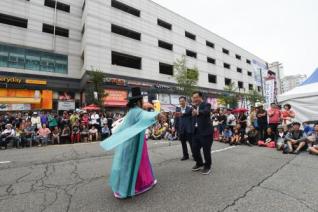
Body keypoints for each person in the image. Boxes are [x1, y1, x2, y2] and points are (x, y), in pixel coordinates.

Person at [100, 87, 159, 199]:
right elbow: (151, 117)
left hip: (129, 141)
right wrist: (154, 109)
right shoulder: (138, 111)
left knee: (128, 164)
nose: (143, 102)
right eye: (142, 100)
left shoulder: (130, 112)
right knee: (139, 162)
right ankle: (137, 186)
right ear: (138, 101)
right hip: (136, 142)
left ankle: (122, 187)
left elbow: (120, 128)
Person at [191, 91, 213, 175]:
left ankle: (207, 166)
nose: (195, 99)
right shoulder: (193, 107)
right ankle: (199, 163)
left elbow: (206, 112)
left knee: (206, 150)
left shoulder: (206, 105)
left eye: (196, 97)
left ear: (201, 97)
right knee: (194, 149)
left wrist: (198, 112)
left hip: (206, 132)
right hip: (196, 132)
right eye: (193, 97)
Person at [174, 96, 193, 161]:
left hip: (188, 128)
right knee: (183, 143)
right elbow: (176, 119)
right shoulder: (177, 109)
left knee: (191, 143)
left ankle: (194, 155)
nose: (181, 102)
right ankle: (185, 155)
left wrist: (182, 113)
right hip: (181, 129)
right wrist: (175, 127)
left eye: (182, 101)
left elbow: (189, 115)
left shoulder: (189, 109)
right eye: (180, 101)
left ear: (185, 101)